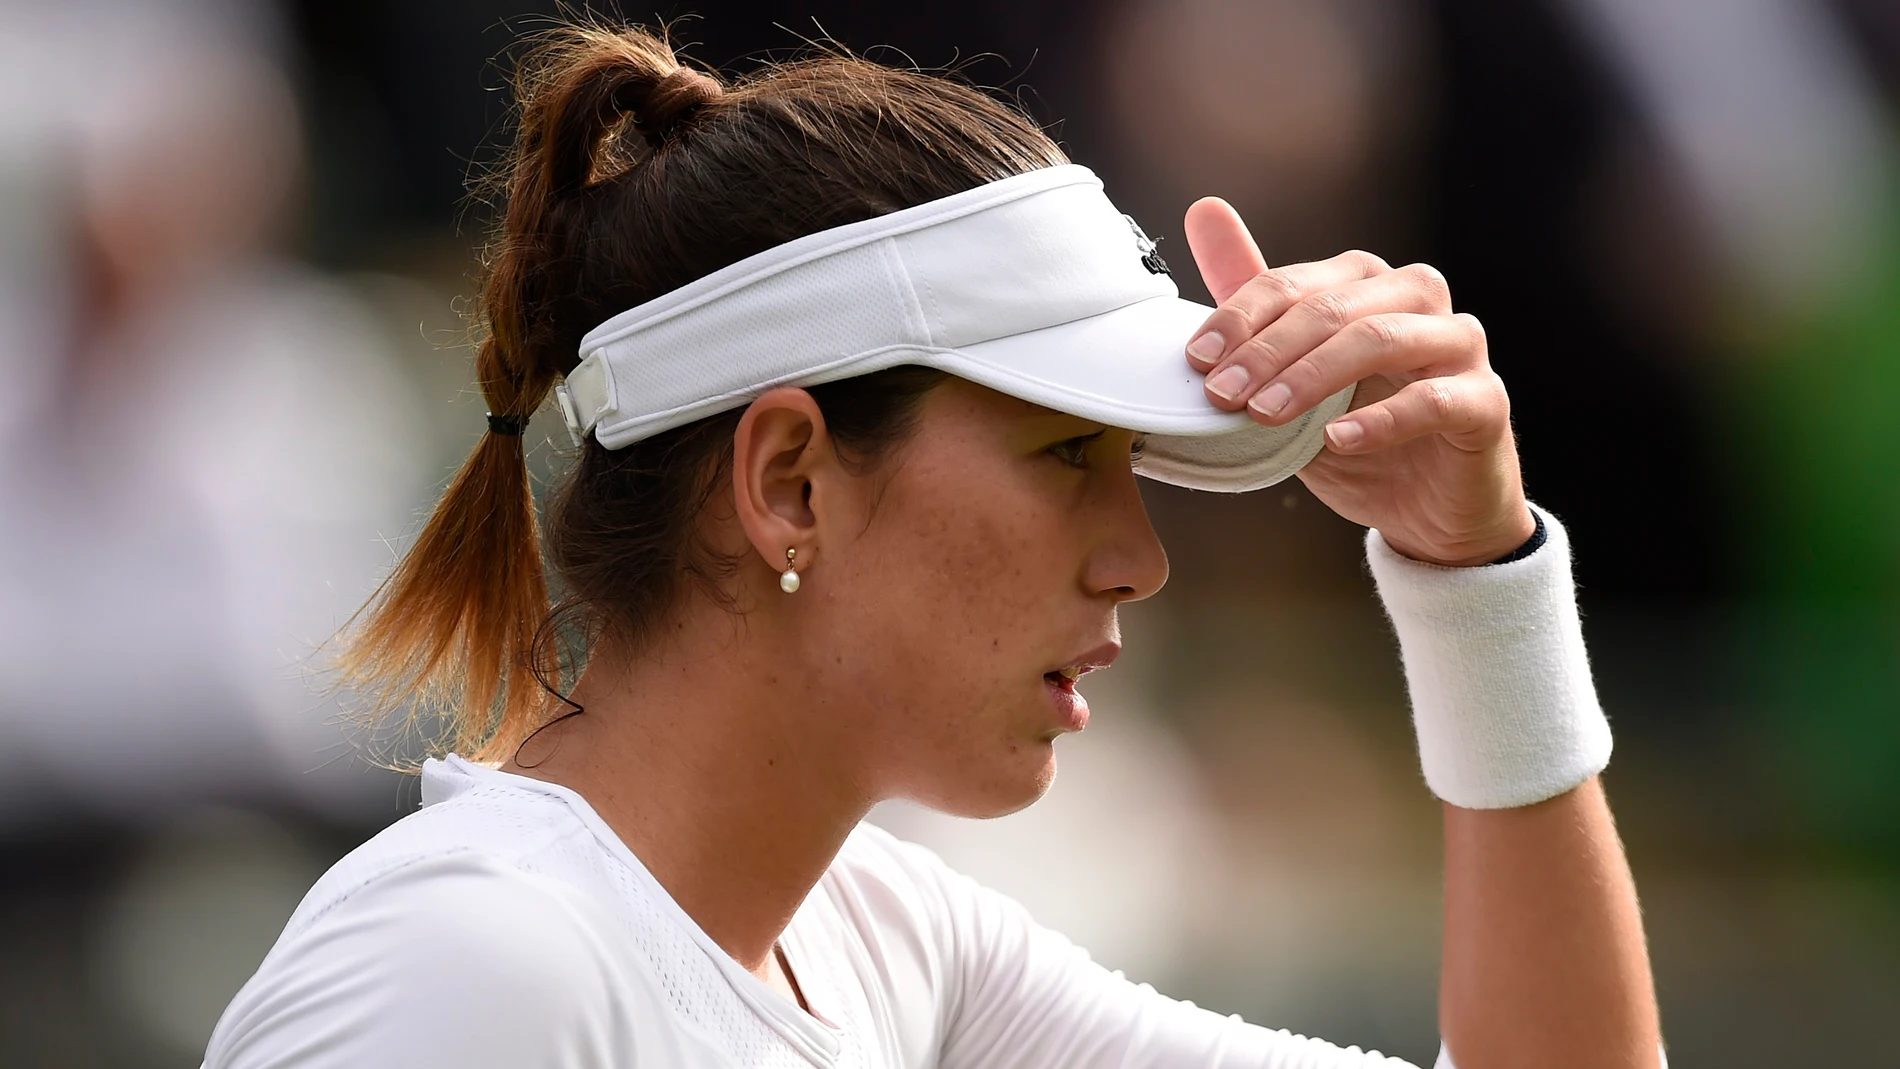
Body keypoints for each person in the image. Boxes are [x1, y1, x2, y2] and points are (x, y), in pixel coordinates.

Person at [204, 22, 1662, 1069]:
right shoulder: (473, 973)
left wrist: (1479, 579)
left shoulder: (890, 950)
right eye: (1068, 455)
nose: (1140, 559)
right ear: (789, 480)